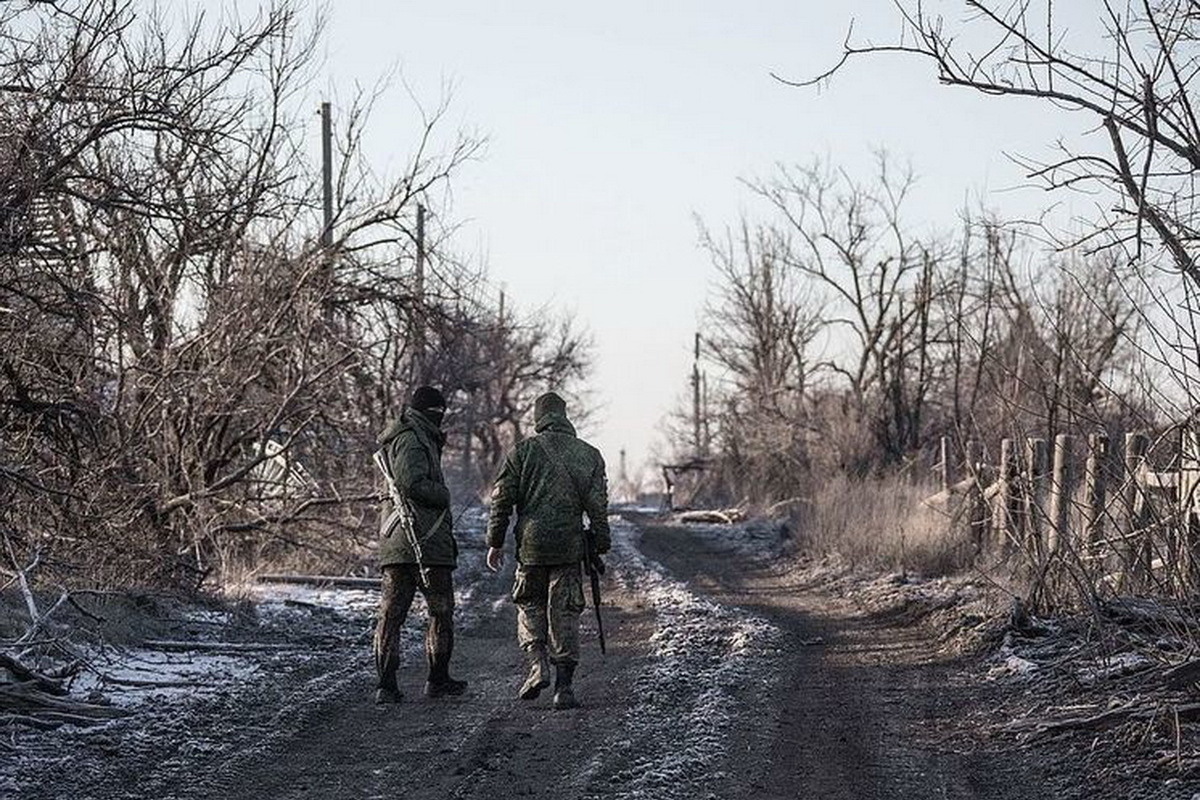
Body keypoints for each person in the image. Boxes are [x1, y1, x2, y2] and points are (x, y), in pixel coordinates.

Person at [485, 391, 610, 710]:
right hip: (569, 546)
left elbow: (501, 502)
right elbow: (597, 505)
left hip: (531, 546)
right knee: (564, 611)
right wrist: (600, 540)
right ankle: (563, 689)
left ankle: (537, 663)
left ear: (539, 418)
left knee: (529, 604)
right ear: (565, 416)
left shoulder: (521, 452)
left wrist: (495, 542)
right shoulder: (589, 454)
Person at [373, 385, 467, 704]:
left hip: (403, 543)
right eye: (440, 414)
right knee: (437, 612)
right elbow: (411, 483)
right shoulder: (414, 438)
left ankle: (391, 685)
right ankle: (427, 681)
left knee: (393, 615)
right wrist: (444, 496)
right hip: (420, 542)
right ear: (434, 413)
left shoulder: (411, 435)